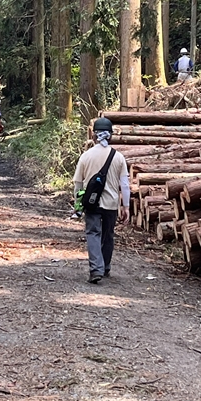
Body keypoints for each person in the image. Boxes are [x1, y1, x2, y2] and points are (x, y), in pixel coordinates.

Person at [73, 117, 130, 284]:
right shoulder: (118, 157)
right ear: (110, 136)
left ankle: (96, 269)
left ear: (94, 135)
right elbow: (125, 185)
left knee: (93, 233)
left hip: (91, 203)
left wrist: (78, 206)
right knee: (108, 235)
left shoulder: (86, 156)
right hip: (111, 203)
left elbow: (78, 184)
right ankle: (105, 267)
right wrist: (126, 206)